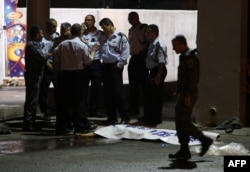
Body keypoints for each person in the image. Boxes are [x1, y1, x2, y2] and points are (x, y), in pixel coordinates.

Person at [169, 35, 213, 160]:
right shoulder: (184, 57)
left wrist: (187, 95)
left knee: (184, 121)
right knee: (179, 122)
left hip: (188, 93)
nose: (173, 48)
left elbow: (192, 79)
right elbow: (183, 78)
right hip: (183, 93)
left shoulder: (190, 58)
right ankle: (184, 150)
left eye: (175, 45)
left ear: (182, 44)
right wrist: (178, 91)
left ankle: (204, 140)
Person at [52, 23, 98, 134]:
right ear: (80, 32)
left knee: (64, 102)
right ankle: (79, 126)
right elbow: (88, 61)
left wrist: (59, 66)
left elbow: (55, 55)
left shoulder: (62, 44)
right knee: (78, 101)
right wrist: (93, 51)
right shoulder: (82, 45)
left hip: (65, 75)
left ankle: (62, 127)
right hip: (78, 75)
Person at [134, 24, 167, 127]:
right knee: (148, 94)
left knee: (156, 96)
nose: (146, 34)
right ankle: (147, 116)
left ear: (154, 33)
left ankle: (156, 118)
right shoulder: (152, 42)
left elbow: (161, 62)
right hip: (153, 70)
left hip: (158, 71)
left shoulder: (159, 44)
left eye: (148, 32)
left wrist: (158, 75)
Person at [99, 18, 130, 125]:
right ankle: (112, 117)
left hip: (115, 67)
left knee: (118, 92)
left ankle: (125, 116)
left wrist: (119, 66)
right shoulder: (103, 37)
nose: (103, 30)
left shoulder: (121, 37)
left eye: (104, 27)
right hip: (105, 66)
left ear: (109, 25)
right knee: (107, 93)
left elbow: (125, 53)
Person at [23, 26, 48, 131]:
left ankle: (31, 122)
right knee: (32, 100)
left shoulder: (36, 45)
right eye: (41, 33)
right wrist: (48, 54)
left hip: (36, 74)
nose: (42, 35)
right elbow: (41, 56)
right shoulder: (31, 45)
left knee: (34, 100)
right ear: (37, 35)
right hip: (32, 75)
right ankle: (28, 124)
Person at [81, 14, 104, 118]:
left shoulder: (100, 34)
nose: (87, 22)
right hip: (85, 63)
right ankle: (83, 110)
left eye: (89, 20)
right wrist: (81, 31)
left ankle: (94, 110)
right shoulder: (82, 34)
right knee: (83, 88)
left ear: (94, 21)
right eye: (86, 20)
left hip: (96, 63)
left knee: (96, 88)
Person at [127, 12, 149, 116]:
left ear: (137, 18)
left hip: (142, 58)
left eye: (132, 18)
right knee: (133, 86)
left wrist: (146, 58)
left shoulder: (144, 28)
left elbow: (148, 43)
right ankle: (133, 109)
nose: (130, 20)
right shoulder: (130, 30)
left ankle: (147, 111)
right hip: (134, 58)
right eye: (129, 18)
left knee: (145, 86)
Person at [52, 22, 72, 132]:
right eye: (62, 29)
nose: (63, 31)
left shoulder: (74, 41)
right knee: (60, 101)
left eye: (65, 29)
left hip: (70, 74)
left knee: (69, 102)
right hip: (60, 74)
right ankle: (61, 125)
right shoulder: (57, 41)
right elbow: (54, 58)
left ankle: (68, 123)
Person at [39, 18, 59, 121]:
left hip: (57, 66)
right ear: (47, 26)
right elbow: (41, 55)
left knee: (59, 90)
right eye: (53, 26)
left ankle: (59, 110)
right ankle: (46, 111)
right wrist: (47, 64)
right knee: (43, 90)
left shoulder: (58, 37)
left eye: (56, 26)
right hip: (46, 66)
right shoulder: (42, 39)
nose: (55, 28)